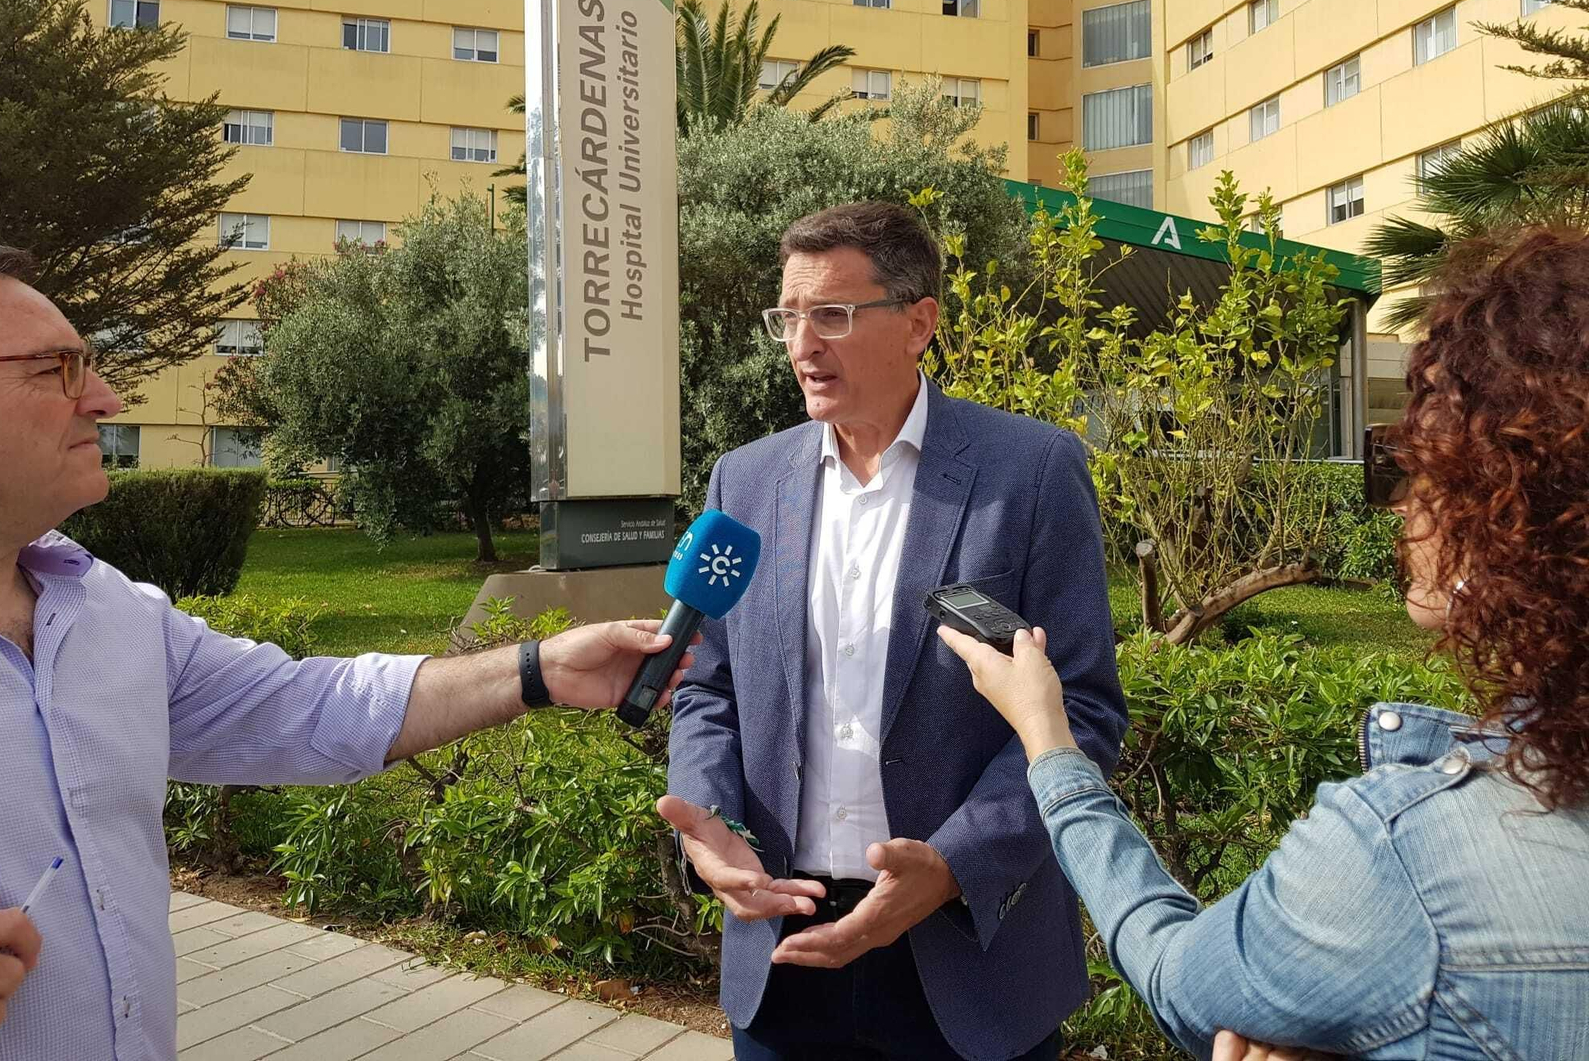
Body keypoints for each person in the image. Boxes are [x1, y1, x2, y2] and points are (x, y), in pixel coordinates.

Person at [0, 242, 695, 1060]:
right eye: (57, 369)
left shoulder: (104, 608)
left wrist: (537, 669)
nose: (105, 399)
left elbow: (301, 707)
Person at [939, 228, 1589, 1060]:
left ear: (1503, 503)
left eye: (1407, 460)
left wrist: (1048, 742)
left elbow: (1181, 979)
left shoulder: (1414, 855)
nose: (1399, 503)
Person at [658, 201, 1130, 1060]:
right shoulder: (745, 481)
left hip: (968, 956)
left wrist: (954, 865)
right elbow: (710, 686)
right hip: (782, 950)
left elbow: (1084, 712)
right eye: (788, 317)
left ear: (919, 323)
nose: (803, 345)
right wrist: (711, 820)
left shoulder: (1029, 471)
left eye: (832, 315)